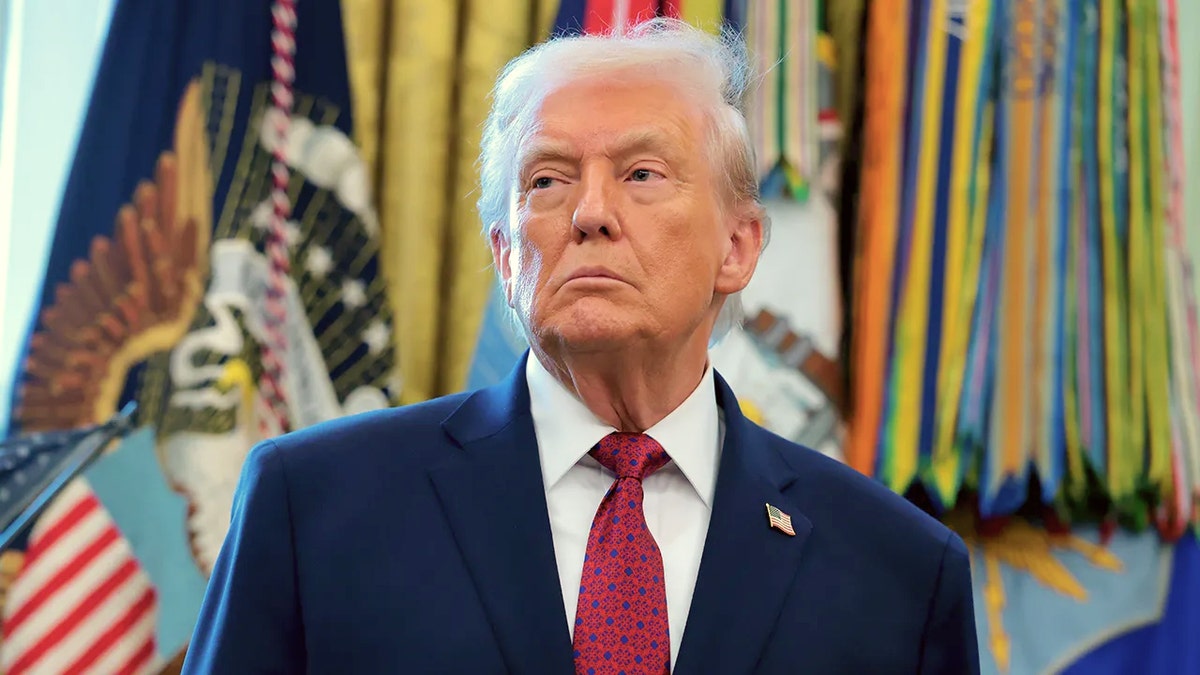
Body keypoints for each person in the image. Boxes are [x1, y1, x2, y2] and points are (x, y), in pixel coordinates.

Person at [183, 18, 979, 675]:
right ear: (504, 253)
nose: (589, 212)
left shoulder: (899, 570)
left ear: (738, 247)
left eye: (640, 173)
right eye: (548, 180)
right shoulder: (313, 506)